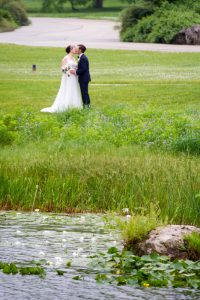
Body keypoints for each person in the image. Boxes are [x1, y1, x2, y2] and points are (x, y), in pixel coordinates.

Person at [41, 45, 82, 113]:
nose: (75, 50)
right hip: (68, 77)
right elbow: (63, 69)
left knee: (74, 90)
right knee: (68, 89)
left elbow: (75, 67)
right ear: (70, 50)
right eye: (74, 49)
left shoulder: (74, 59)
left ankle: (74, 105)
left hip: (74, 77)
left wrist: (75, 71)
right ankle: (66, 105)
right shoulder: (65, 58)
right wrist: (69, 71)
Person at [70, 44, 91, 108]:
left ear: (80, 50)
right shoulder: (81, 57)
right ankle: (87, 104)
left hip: (84, 78)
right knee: (84, 92)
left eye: (77, 49)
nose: (75, 50)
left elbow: (83, 69)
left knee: (84, 92)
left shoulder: (83, 58)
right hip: (83, 78)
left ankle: (86, 105)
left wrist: (75, 72)